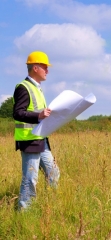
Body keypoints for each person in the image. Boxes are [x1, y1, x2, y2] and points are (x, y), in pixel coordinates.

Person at [13, 51, 60, 210]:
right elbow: (17, 112)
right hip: (29, 140)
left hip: (41, 139)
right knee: (30, 178)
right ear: (35, 68)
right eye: (45, 67)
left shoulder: (37, 88)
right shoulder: (23, 87)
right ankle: (24, 212)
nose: (47, 70)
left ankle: (51, 206)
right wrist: (38, 115)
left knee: (54, 173)